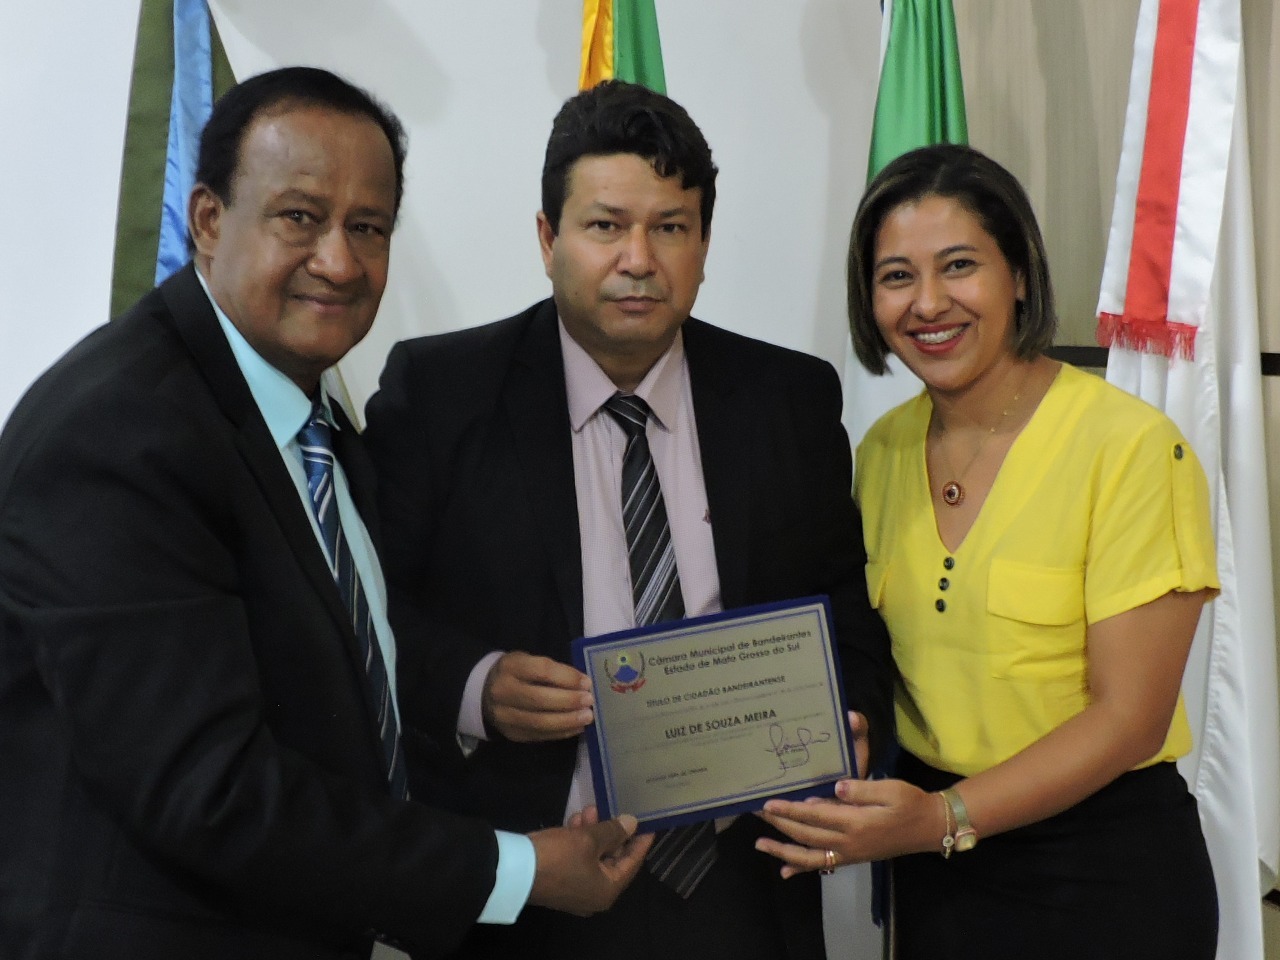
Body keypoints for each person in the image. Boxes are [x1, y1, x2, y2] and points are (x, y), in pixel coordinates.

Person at [0, 66, 651, 960]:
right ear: (207, 221)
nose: (339, 261)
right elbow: (214, 792)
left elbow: (337, 653)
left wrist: (478, 687)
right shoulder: (120, 432)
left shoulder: (308, 421)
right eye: (299, 217)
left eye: (368, 227)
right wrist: (517, 870)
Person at [362, 80, 894, 960]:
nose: (639, 258)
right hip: (535, 884)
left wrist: (855, 713)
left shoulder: (789, 400)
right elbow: (369, 622)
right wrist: (474, 685)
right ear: (548, 238)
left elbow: (845, 605)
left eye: (670, 227)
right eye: (605, 225)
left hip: (745, 884)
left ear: (704, 243)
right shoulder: (439, 395)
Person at [755, 143, 1219, 959]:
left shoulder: (1130, 446)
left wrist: (946, 818)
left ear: (1020, 276)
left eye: (959, 265)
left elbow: (1131, 719)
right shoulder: (881, 451)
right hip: (938, 876)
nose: (928, 303)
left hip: (1103, 874)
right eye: (896, 276)